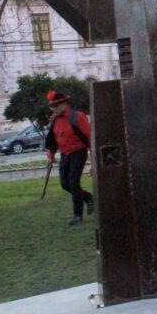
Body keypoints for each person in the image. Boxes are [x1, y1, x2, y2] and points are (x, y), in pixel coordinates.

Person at [45, 91, 94, 225]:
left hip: (78, 152)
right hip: (64, 155)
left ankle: (77, 215)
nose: (53, 109)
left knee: (73, 182)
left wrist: (93, 161)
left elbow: (90, 138)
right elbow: (53, 140)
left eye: (55, 106)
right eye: (51, 106)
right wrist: (51, 156)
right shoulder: (55, 119)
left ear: (63, 104)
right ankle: (89, 198)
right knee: (65, 184)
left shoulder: (78, 116)